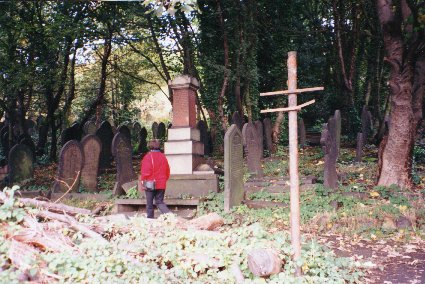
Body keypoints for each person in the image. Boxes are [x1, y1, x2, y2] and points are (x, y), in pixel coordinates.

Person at [140, 139, 171, 218]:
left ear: (150, 146)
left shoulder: (148, 157)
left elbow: (145, 172)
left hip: (150, 183)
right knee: (160, 202)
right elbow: (167, 170)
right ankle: (170, 216)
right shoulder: (163, 157)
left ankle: (150, 220)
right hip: (161, 183)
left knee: (149, 204)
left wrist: (143, 182)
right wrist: (164, 180)